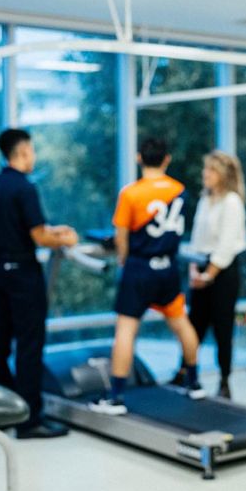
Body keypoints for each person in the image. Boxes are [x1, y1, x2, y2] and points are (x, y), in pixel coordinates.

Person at [90, 138, 201, 415]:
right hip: (167, 269)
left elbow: (122, 237)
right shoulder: (180, 191)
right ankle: (194, 382)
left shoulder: (131, 194)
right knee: (181, 325)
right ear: (167, 159)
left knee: (126, 331)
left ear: (140, 158)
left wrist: (123, 259)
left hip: (139, 269)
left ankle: (115, 397)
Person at [0, 128, 79, 439]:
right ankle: (29, 419)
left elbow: (20, 226)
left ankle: (0, 410)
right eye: (32, 151)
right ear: (22, 152)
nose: (33, 157)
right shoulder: (24, 188)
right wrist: (67, 237)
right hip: (23, 271)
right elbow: (38, 236)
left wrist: (54, 230)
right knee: (29, 343)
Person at [176, 151, 246, 399]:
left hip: (223, 271)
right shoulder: (206, 200)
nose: (205, 174)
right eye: (205, 169)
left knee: (222, 327)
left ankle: (225, 379)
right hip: (201, 265)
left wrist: (209, 275)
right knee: (193, 323)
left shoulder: (232, 202)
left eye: (211, 170)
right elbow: (196, 238)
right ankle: (185, 372)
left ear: (223, 175)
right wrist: (195, 269)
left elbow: (227, 245)